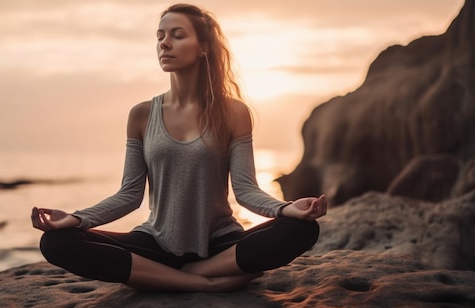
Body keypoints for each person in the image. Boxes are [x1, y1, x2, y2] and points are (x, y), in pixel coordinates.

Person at [31, 3, 327, 292]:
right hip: (156, 243)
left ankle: (174, 275)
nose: (165, 44)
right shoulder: (142, 114)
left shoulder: (233, 112)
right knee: (57, 242)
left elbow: (246, 190)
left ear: (203, 47)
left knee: (302, 229)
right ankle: (199, 281)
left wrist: (286, 209)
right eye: (160, 36)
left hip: (220, 244)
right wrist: (76, 219)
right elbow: (129, 195)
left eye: (177, 35)